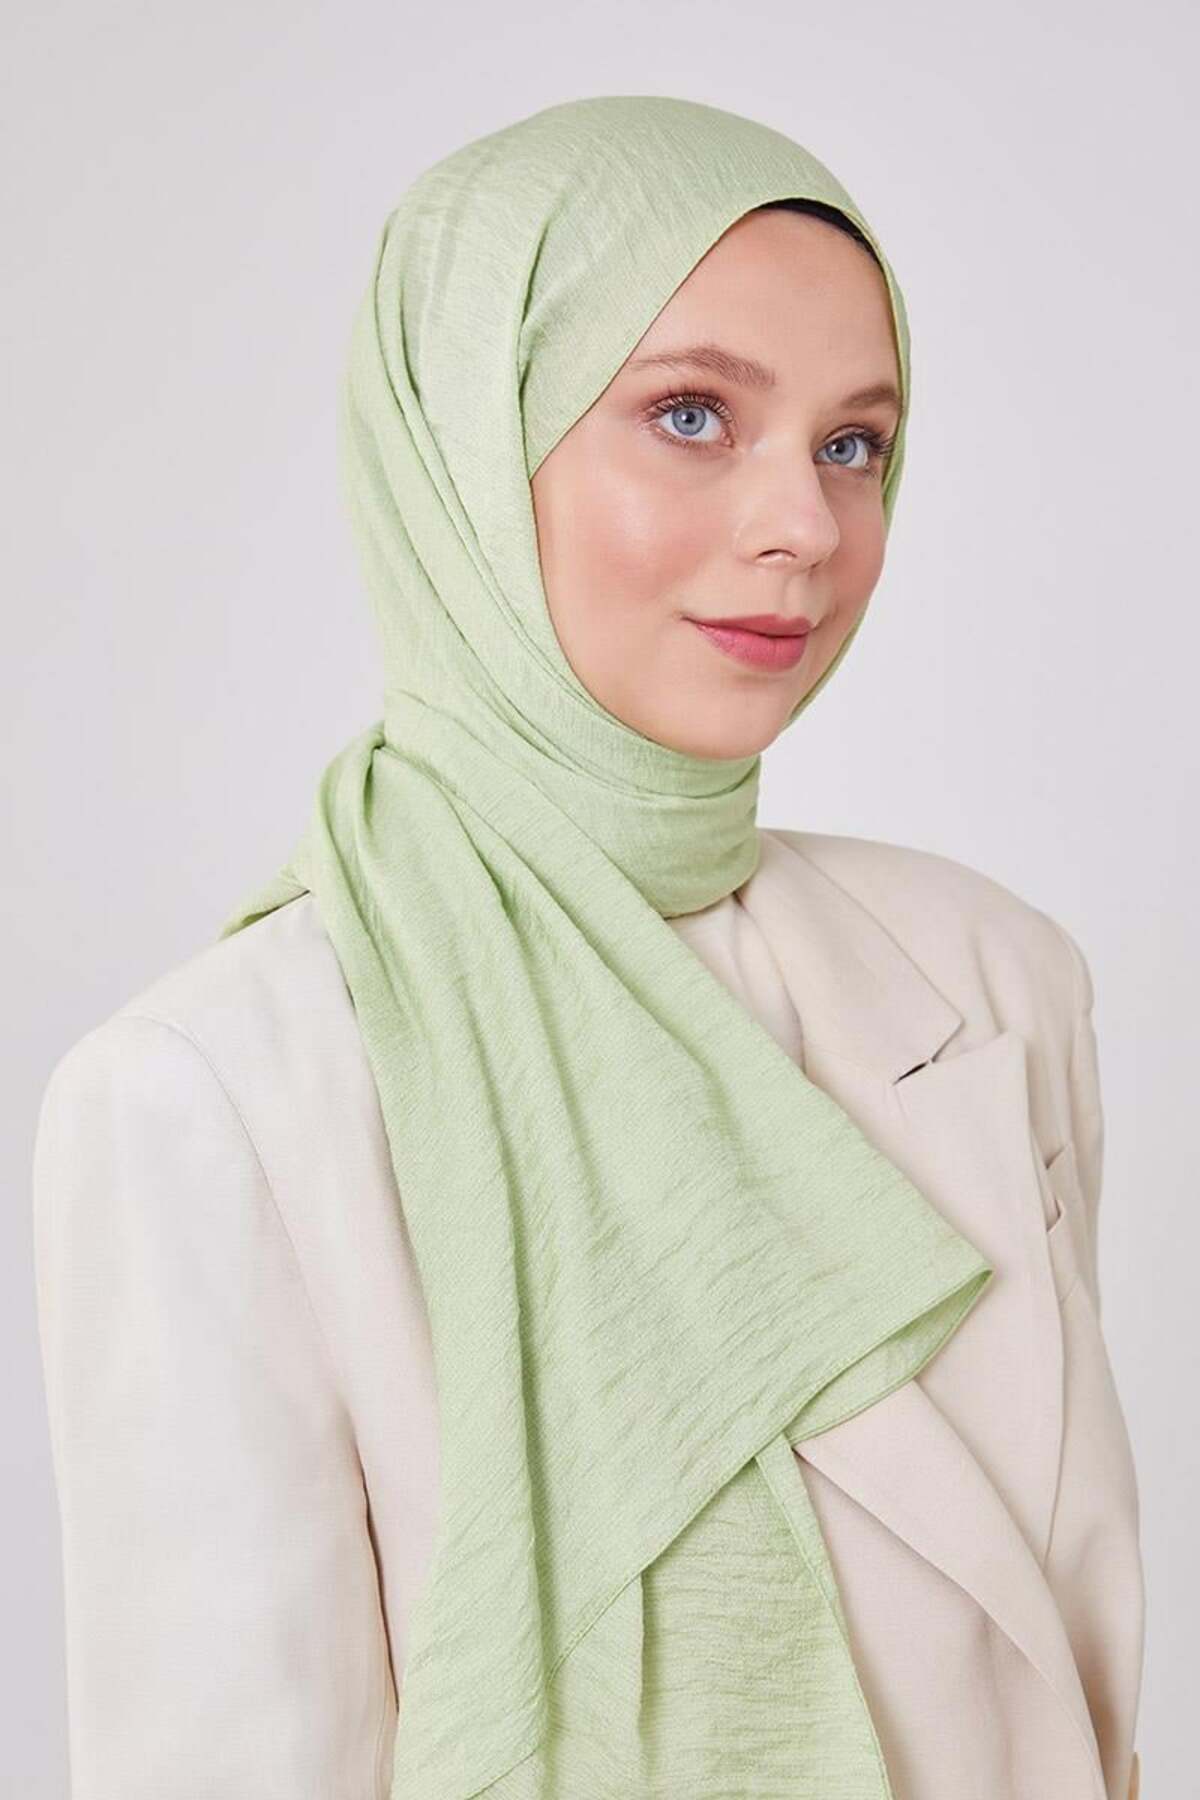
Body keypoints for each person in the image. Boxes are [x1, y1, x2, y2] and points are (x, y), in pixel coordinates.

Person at [32, 95, 1144, 1799]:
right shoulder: (215, 1092)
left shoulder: (996, 981)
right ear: (469, 445)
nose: (806, 525)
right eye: (692, 415)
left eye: (855, 443)